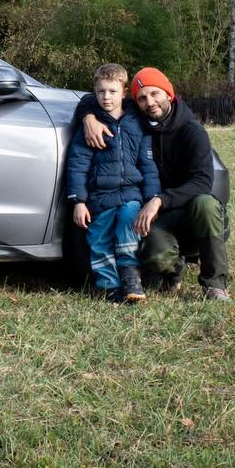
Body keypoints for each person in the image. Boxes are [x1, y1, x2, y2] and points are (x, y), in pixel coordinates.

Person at [75, 67, 230, 302]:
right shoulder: (138, 122)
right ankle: (174, 270)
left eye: (155, 94)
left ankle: (214, 284)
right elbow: (95, 96)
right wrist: (88, 118)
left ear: (169, 94)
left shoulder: (192, 131)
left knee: (206, 204)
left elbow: (203, 181)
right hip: (158, 214)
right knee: (156, 256)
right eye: (142, 98)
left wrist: (158, 200)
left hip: (187, 208)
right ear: (134, 101)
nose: (150, 102)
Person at [64, 63, 161, 304]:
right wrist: (78, 201)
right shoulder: (90, 127)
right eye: (101, 92)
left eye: (112, 92)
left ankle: (130, 276)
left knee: (129, 225)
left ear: (124, 92)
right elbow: (77, 165)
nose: (106, 97)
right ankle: (109, 286)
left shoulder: (136, 124)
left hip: (130, 194)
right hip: (100, 197)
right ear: (94, 92)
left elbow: (147, 164)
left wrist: (152, 198)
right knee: (99, 239)